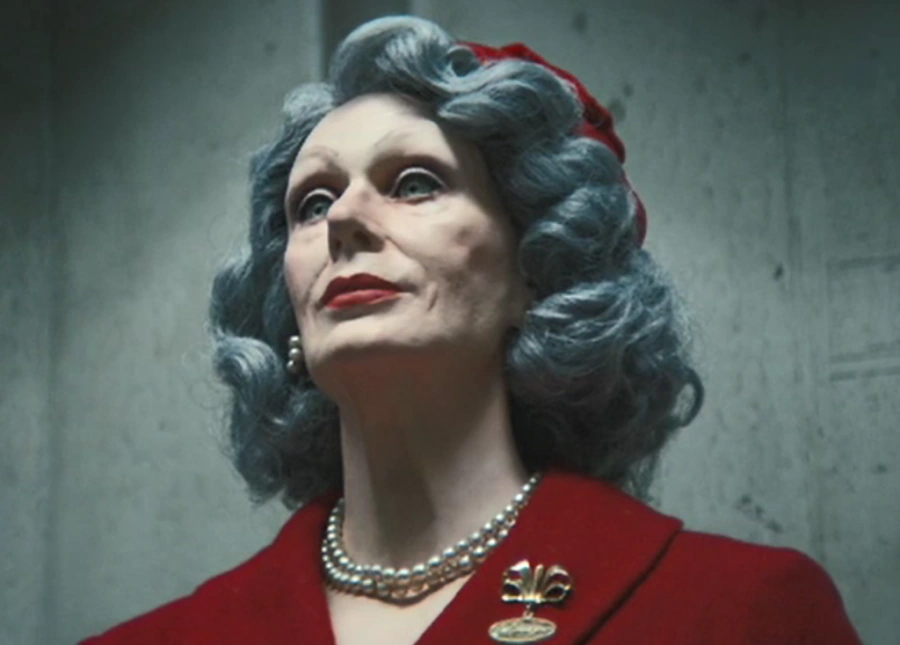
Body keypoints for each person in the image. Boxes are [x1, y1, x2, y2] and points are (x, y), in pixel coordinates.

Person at [81, 15, 861, 645]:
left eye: (414, 183)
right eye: (312, 203)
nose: (345, 218)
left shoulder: (743, 613)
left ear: (538, 270)